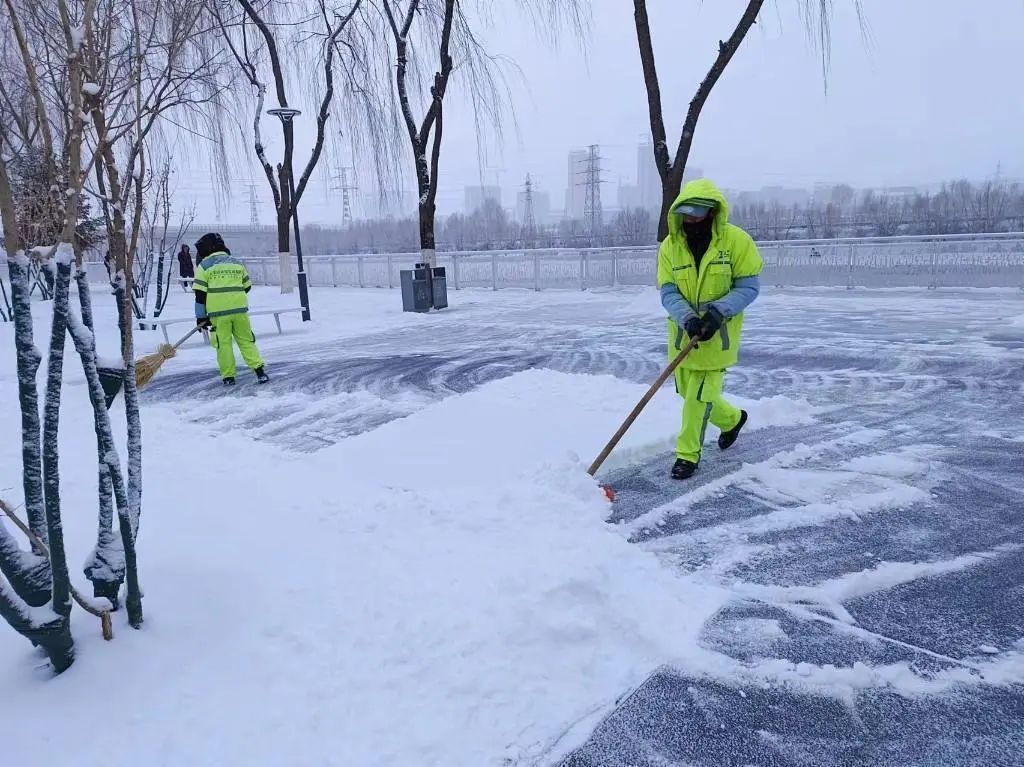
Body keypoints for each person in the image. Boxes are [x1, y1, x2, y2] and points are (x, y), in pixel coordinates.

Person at [657, 178, 762, 480]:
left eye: (698, 213)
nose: (691, 219)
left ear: (713, 212)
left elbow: (749, 286)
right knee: (693, 394)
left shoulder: (736, 242)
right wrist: (687, 318)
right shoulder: (670, 247)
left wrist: (718, 312)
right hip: (683, 337)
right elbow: (668, 291)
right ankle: (732, 420)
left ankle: (687, 455)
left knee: (696, 400)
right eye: (686, 213)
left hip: (718, 338)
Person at [192, 232, 270, 386]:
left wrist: (201, 316)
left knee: (223, 344)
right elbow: (247, 286)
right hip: (239, 310)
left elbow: (200, 294)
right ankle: (260, 371)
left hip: (218, 314)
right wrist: (233, 297)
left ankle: (229, 377)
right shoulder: (236, 262)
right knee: (246, 340)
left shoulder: (205, 266)